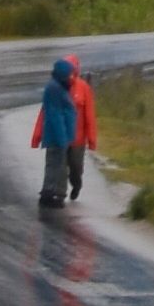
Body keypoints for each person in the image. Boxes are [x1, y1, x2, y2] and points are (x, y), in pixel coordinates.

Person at [32, 50, 98, 212]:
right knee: (59, 165)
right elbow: (46, 114)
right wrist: (37, 136)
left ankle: (76, 184)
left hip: (77, 138)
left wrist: (92, 139)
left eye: (73, 73)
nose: (71, 77)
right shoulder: (57, 88)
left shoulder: (83, 88)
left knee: (76, 167)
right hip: (62, 137)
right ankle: (59, 194)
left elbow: (89, 115)